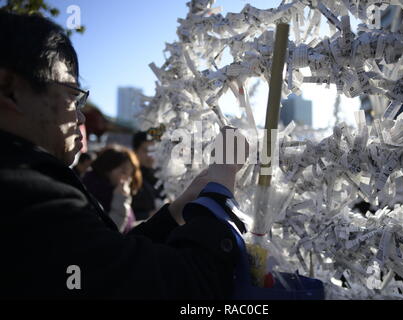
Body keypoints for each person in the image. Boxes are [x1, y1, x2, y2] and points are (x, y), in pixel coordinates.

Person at [0, 11, 246, 299]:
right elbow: (188, 285)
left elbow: (109, 264)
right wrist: (221, 188)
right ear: (9, 89)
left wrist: (177, 209)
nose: (79, 114)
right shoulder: (26, 193)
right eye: (71, 94)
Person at [83, 145, 141, 233]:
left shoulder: (116, 190)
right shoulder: (93, 194)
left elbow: (128, 226)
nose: (128, 179)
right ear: (107, 169)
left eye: (131, 174)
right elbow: (110, 234)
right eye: (123, 172)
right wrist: (120, 200)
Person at [131, 131, 164, 221]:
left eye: (153, 151)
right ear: (135, 151)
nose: (150, 156)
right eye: (146, 151)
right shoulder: (129, 177)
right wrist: (149, 215)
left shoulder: (159, 176)